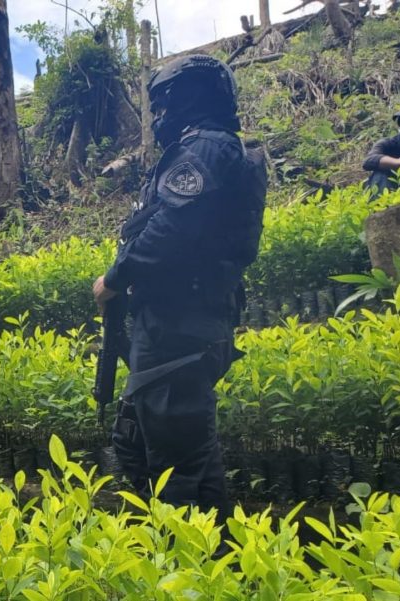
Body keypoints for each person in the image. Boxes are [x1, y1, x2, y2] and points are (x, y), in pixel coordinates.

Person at [92, 55, 266, 515]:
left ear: (182, 99)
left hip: (181, 324)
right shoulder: (213, 147)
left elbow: (172, 228)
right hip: (176, 321)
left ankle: (189, 569)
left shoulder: (207, 147)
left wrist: (114, 279)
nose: (159, 115)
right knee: (149, 444)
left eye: (163, 103)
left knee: (177, 467)